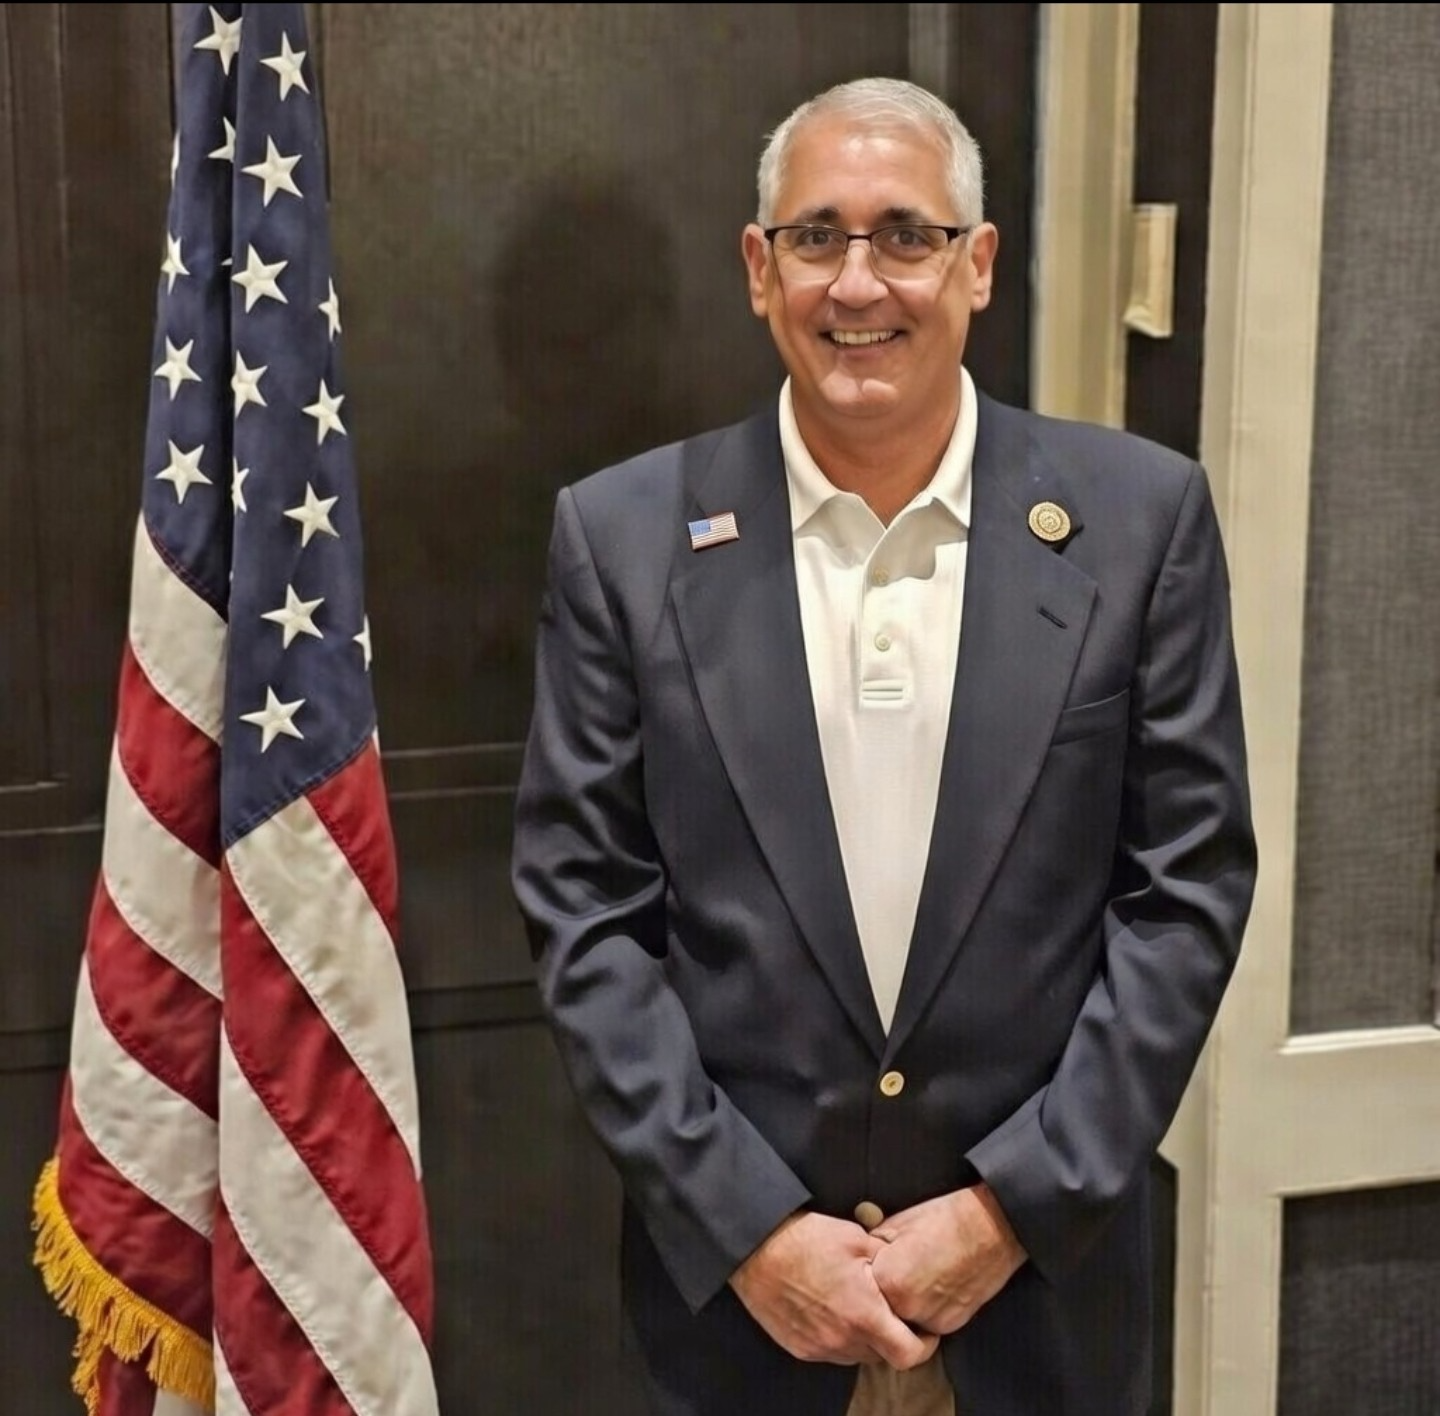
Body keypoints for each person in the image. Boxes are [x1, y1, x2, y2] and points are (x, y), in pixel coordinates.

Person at [511, 76, 1256, 1416]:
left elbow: (1184, 896)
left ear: (979, 266)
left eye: (907, 235)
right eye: (818, 237)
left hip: (1041, 1308)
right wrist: (748, 1228)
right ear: (761, 269)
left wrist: (1011, 1209)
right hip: (742, 1321)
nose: (859, 283)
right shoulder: (621, 541)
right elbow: (586, 915)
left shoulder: (1142, 523)